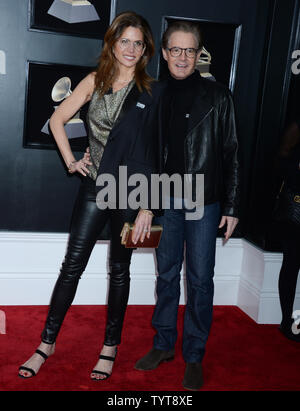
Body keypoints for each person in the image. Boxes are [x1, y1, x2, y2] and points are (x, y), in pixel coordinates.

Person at [18, 11, 165, 380]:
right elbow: (57, 120)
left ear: (145, 48)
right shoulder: (94, 81)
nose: (131, 49)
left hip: (131, 191)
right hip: (95, 185)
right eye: (124, 41)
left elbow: (159, 152)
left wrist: (149, 204)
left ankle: (109, 347)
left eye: (138, 42)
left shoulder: (152, 90)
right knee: (72, 266)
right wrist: (72, 161)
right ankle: (45, 344)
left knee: (120, 270)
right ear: (112, 43)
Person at [134, 20, 240, 391]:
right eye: (175, 50)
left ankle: (193, 354)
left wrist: (232, 204)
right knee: (166, 276)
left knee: (199, 280)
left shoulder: (218, 97)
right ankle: (163, 344)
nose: (182, 57)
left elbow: (231, 153)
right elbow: (145, 154)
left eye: (189, 50)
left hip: (204, 201)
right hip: (164, 199)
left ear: (199, 54)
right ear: (164, 54)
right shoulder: (153, 94)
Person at [276, 119, 300, 342]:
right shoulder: (297, 126)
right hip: (296, 209)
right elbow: (282, 160)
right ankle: (286, 321)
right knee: (291, 263)